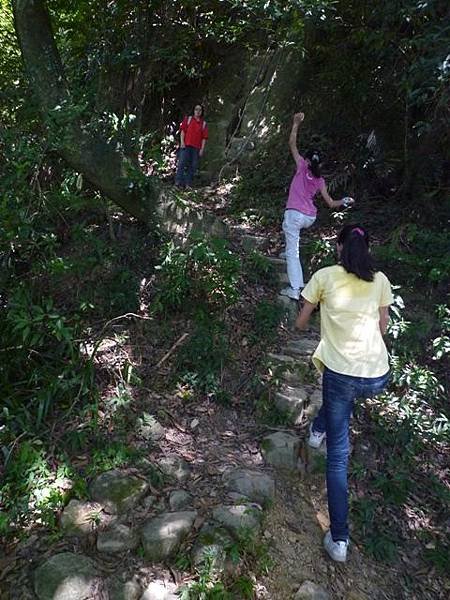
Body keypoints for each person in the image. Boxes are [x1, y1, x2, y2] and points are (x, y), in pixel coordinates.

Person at [295, 224, 393, 563]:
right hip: (377, 375)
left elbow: (301, 323)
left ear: (339, 247)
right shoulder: (379, 280)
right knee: (339, 404)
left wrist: (314, 314)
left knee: (338, 455)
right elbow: (383, 327)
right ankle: (317, 429)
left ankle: (339, 539)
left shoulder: (324, 276)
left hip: (342, 373)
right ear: (367, 248)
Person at [280, 112, 354, 301]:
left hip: (295, 214)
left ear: (307, 159)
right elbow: (330, 203)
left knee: (292, 251)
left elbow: (292, 145)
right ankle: (295, 269)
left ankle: (295, 289)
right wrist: (344, 200)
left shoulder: (301, 166)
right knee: (291, 241)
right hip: (309, 217)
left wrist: (296, 123)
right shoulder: (320, 180)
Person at [175, 104, 208, 188]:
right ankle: (178, 182)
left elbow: (204, 138)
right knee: (182, 163)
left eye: (200, 110)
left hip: (196, 148)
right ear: (193, 110)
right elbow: (183, 131)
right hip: (186, 145)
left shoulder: (203, 124)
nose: (198, 111)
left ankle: (187, 184)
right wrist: (182, 142)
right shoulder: (188, 119)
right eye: (196, 109)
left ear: (202, 112)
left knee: (193, 166)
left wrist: (202, 149)